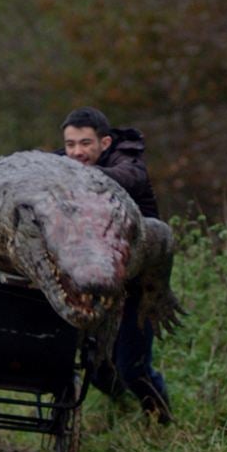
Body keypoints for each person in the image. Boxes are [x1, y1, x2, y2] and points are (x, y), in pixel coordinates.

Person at [57, 106, 171, 424]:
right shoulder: (63, 163)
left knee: (132, 367)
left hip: (139, 285)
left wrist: (73, 176)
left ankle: (162, 423)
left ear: (104, 143)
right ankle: (122, 415)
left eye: (85, 144)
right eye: (70, 145)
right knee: (96, 367)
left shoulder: (128, 163)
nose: (77, 152)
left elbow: (127, 178)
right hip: (96, 280)